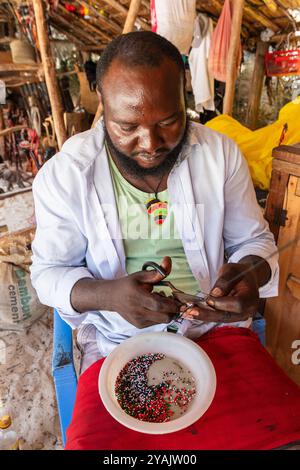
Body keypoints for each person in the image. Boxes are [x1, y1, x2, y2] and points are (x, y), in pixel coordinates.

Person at [30, 32, 278, 374]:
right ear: (102, 100)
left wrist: (253, 271)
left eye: (168, 121)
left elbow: (254, 242)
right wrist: (109, 296)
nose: (150, 144)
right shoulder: (67, 175)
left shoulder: (219, 155)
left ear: (184, 92)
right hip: (116, 338)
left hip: (214, 327)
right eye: (127, 126)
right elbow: (47, 274)